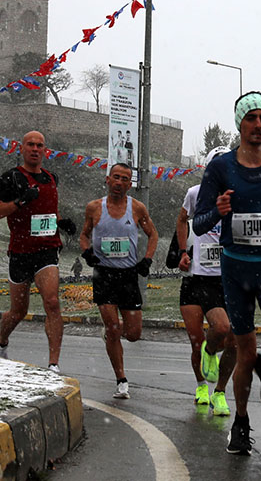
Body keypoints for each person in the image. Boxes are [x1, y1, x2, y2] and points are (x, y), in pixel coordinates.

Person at [193, 91, 261, 456]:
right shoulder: (221, 167)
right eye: (251, 118)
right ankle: (241, 422)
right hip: (235, 270)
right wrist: (219, 210)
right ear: (239, 123)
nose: (258, 125)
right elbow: (199, 224)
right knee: (243, 353)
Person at [0, 130, 77, 373]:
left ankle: (53, 364)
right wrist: (19, 202)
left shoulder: (51, 178)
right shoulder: (11, 178)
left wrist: (61, 222)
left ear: (45, 150)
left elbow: (47, 212)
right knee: (18, 312)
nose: (35, 149)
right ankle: (1, 340)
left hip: (47, 250)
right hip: (20, 252)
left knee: (52, 302)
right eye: (31, 145)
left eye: (40, 145)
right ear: (22, 149)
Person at [79, 162, 158, 399]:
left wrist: (147, 260)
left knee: (133, 333)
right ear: (107, 179)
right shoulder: (94, 208)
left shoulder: (137, 208)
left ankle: (111, 333)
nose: (119, 182)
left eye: (125, 179)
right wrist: (87, 253)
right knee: (113, 328)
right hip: (103, 274)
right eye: (116, 177)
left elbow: (152, 234)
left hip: (128, 275)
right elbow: (84, 235)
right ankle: (121, 380)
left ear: (130, 184)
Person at [175, 145, 236, 416]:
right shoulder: (195, 193)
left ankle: (221, 392)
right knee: (196, 339)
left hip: (228, 278)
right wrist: (182, 251)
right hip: (197, 278)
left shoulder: (239, 196)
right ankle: (202, 386)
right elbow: (181, 219)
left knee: (229, 338)